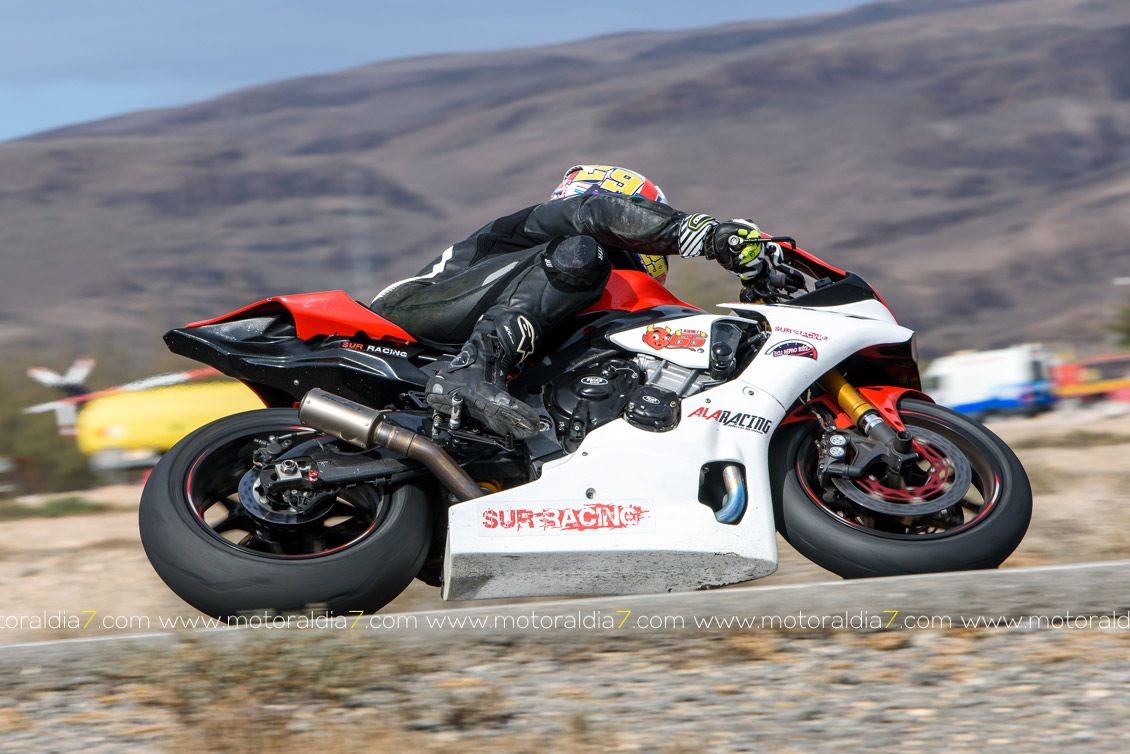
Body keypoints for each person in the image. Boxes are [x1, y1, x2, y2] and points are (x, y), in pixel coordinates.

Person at [372, 164, 771, 439]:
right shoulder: (546, 227)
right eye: (643, 214)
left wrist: (760, 279)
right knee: (581, 254)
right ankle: (471, 372)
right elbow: (594, 214)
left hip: (454, 345)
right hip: (410, 312)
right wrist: (697, 231)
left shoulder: (572, 296)